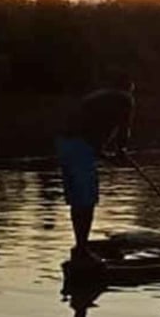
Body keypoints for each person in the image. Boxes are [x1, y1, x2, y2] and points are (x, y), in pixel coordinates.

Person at [56, 72, 136, 267]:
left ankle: (81, 247)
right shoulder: (124, 99)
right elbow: (123, 130)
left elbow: (89, 129)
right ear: (128, 87)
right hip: (80, 147)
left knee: (78, 201)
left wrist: (105, 156)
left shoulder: (95, 97)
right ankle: (82, 250)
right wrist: (121, 151)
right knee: (87, 201)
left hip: (64, 145)